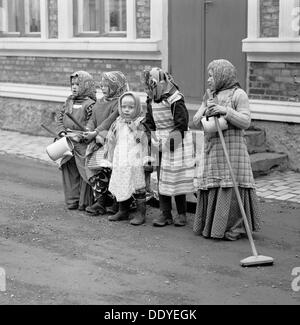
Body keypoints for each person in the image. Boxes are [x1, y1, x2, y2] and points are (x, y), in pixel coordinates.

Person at [193, 59, 261, 241]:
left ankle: (234, 228)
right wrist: (205, 111)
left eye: (211, 75)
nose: (208, 79)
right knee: (216, 183)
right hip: (214, 150)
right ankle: (213, 227)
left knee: (231, 186)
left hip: (233, 151)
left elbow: (246, 122)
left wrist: (225, 111)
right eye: (208, 75)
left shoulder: (239, 94)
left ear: (223, 75)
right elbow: (195, 119)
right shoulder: (210, 96)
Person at [142, 67, 195, 227]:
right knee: (162, 179)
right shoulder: (151, 99)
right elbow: (149, 122)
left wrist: (169, 144)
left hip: (176, 141)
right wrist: (152, 138)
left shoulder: (175, 99)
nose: (150, 91)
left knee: (176, 178)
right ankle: (165, 213)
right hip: (159, 140)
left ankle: (181, 213)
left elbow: (181, 124)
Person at [83, 71, 129, 216]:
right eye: (101, 85)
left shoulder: (121, 102)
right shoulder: (101, 101)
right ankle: (101, 202)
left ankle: (117, 203)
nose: (102, 88)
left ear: (115, 86)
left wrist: (96, 132)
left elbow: (110, 121)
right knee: (97, 170)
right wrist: (88, 129)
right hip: (99, 142)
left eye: (106, 86)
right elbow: (93, 118)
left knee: (113, 172)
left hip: (113, 143)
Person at [106, 92, 152, 226]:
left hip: (135, 160)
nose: (126, 110)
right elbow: (112, 139)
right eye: (124, 106)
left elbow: (143, 141)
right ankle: (123, 211)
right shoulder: (118, 122)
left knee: (138, 186)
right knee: (122, 183)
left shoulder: (139, 123)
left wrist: (135, 130)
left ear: (137, 107)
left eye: (131, 107)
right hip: (121, 158)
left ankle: (141, 213)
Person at [56, 71, 96, 210]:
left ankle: (84, 202)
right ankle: (72, 200)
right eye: (72, 84)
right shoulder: (69, 101)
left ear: (86, 85)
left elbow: (92, 122)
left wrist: (82, 134)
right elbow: (60, 118)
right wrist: (61, 131)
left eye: (78, 84)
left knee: (84, 171)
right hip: (67, 140)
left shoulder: (90, 104)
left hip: (81, 142)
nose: (74, 87)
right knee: (69, 170)